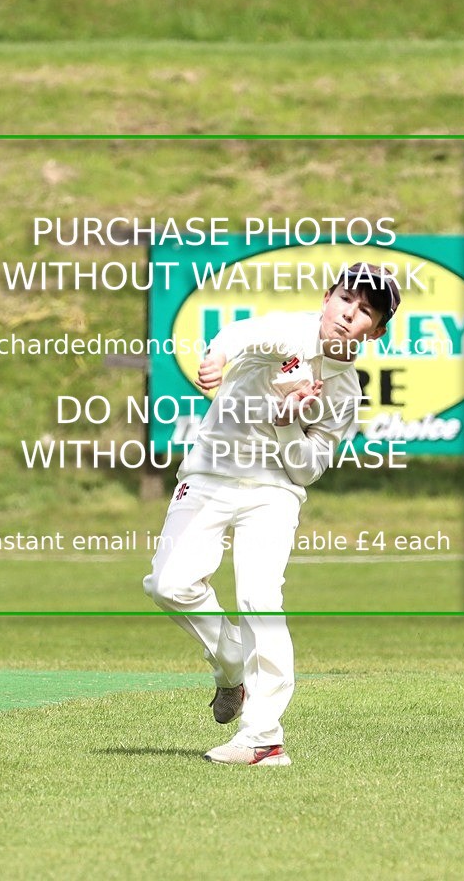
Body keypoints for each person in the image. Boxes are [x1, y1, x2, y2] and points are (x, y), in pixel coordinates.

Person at [143, 262, 400, 765]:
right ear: (328, 297)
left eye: (366, 311)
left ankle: (263, 738)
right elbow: (239, 335)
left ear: (378, 330)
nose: (350, 315)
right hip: (211, 472)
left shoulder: (344, 392)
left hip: (273, 490)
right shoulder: (287, 330)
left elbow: (307, 470)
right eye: (346, 300)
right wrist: (215, 357)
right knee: (168, 585)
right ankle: (232, 664)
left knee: (259, 598)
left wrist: (287, 424)